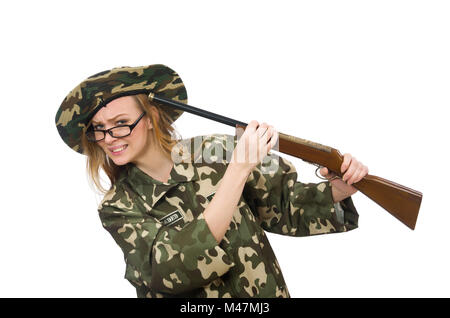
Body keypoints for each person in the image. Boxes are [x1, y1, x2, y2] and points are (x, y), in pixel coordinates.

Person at [55, 64, 368, 298]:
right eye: (98, 128)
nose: (108, 138)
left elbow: (285, 208)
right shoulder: (118, 206)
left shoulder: (215, 150)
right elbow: (169, 270)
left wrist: (341, 186)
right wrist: (238, 171)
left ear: (150, 119)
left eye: (121, 124)